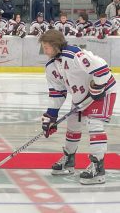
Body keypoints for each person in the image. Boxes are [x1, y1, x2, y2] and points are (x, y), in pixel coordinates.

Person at [39, 29, 117, 185]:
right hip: (81, 98)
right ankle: (69, 160)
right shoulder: (51, 66)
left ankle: (97, 166)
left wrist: (97, 87)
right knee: (73, 125)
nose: (44, 50)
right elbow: (57, 92)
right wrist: (51, 116)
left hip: (103, 92)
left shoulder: (75, 55)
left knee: (94, 125)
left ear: (56, 45)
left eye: (46, 47)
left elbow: (102, 68)